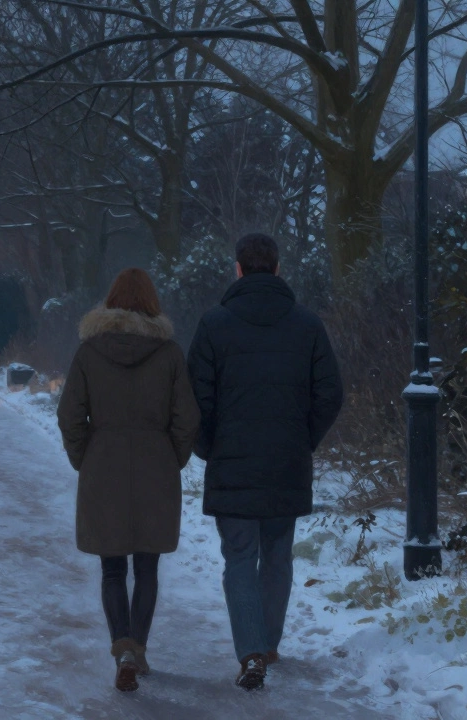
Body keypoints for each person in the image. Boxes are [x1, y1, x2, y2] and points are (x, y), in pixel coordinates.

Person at [187, 232, 343, 692]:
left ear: (237, 269)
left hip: (232, 464)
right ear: (277, 269)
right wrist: (302, 439)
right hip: (285, 463)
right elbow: (330, 394)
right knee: (277, 555)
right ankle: (269, 644)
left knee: (239, 558)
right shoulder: (308, 325)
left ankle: (251, 650)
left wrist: (209, 445)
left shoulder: (214, 324)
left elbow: (197, 398)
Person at [57, 268, 200, 693]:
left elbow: (69, 415)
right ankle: (137, 647)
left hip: (104, 465)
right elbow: (187, 418)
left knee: (112, 566)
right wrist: (172, 456)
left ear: (110, 301)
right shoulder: (170, 353)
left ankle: (121, 646)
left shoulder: (89, 352)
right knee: (149, 563)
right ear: (153, 302)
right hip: (156, 465)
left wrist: (85, 455)